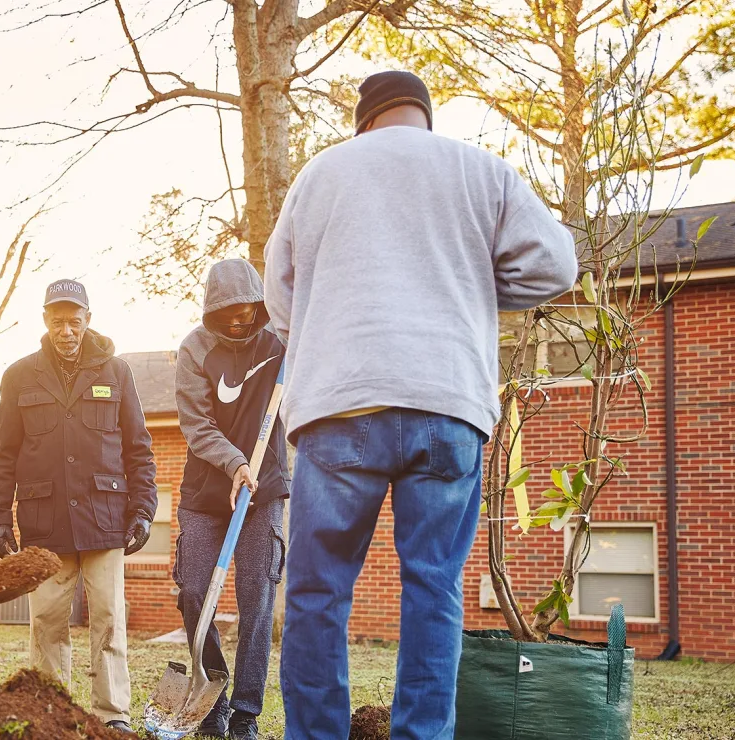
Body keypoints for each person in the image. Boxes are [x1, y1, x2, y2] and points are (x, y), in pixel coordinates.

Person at [264, 71, 578, 739]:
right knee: (433, 588)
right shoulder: (481, 170)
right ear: (424, 116)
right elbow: (555, 267)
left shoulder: (321, 174)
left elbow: (280, 295)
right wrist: (470, 287)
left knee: (318, 593)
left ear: (364, 120)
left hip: (339, 403)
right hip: (446, 401)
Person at [0, 279, 158, 733]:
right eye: (57, 321)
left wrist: (142, 510)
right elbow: (2, 454)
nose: (66, 330)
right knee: (45, 621)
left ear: (87, 321)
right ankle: (49, 714)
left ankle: (112, 715)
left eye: (74, 321)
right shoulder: (19, 375)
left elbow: (139, 449)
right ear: (45, 320)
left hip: (106, 520)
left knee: (108, 618)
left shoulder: (117, 372)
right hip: (46, 523)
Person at [173, 258, 288, 740]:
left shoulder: (281, 341)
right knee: (194, 591)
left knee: (256, 598)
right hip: (206, 492)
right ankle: (212, 696)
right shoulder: (194, 348)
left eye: (248, 311)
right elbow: (196, 425)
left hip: (266, 488)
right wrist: (235, 462)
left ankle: (244, 712)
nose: (240, 320)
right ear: (212, 310)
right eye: (229, 313)